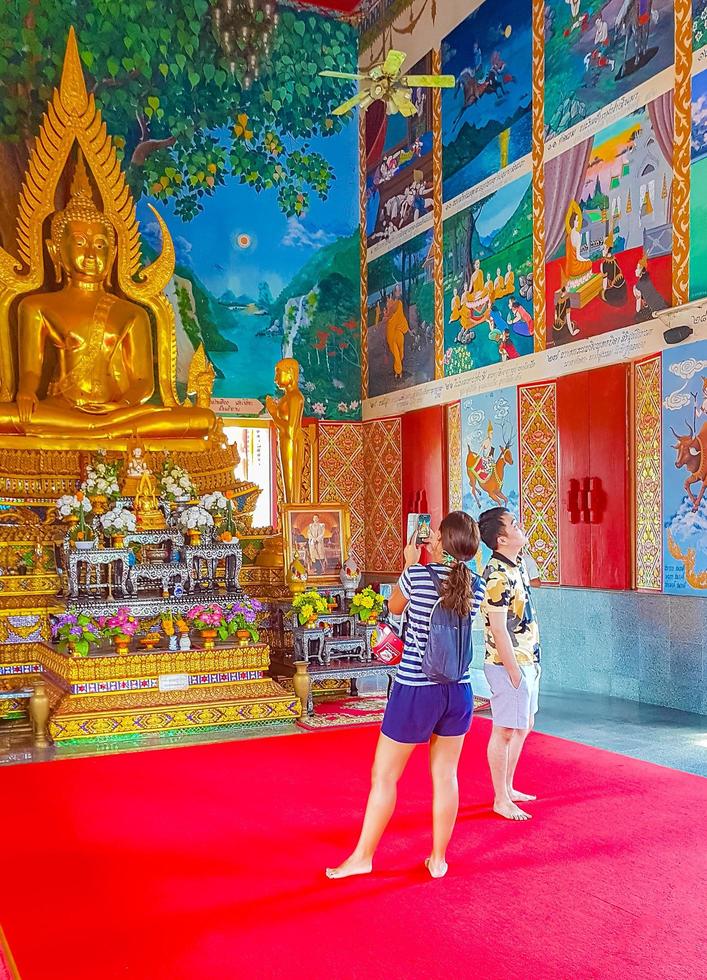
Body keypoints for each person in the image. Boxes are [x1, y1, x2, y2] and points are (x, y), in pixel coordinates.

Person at [326, 511, 485, 881]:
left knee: (384, 776)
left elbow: (394, 609)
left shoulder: (416, 576)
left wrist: (410, 562)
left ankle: (364, 856)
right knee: (446, 776)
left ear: (440, 541)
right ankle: (439, 859)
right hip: (459, 691)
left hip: (416, 689)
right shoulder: (474, 584)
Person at [478, 508, 541, 821]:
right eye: (514, 524)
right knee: (504, 730)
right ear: (501, 538)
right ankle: (500, 798)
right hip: (507, 664)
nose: (520, 526)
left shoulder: (516, 565)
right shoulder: (497, 576)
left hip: (527, 658)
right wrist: (514, 672)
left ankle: (509, 787)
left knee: (524, 725)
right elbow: (498, 627)